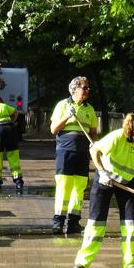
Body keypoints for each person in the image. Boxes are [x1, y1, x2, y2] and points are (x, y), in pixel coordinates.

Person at [72, 114, 134, 268]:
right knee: (96, 224)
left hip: (127, 185)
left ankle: (130, 264)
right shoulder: (118, 137)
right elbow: (94, 150)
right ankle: (82, 262)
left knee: (130, 225)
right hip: (104, 181)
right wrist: (102, 172)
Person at [50, 76, 98, 234]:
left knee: (79, 187)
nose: (87, 91)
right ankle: (58, 221)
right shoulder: (62, 105)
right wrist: (67, 116)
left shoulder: (89, 109)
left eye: (88, 88)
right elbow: (53, 129)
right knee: (64, 186)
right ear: (73, 89)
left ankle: (73, 222)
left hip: (83, 153)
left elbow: (93, 132)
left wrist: (94, 146)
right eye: (84, 88)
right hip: (66, 151)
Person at [0, 97, 23, 191]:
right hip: (10, 129)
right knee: (13, 155)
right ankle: (18, 181)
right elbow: (16, 112)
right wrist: (12, 122)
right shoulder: (4, 105)